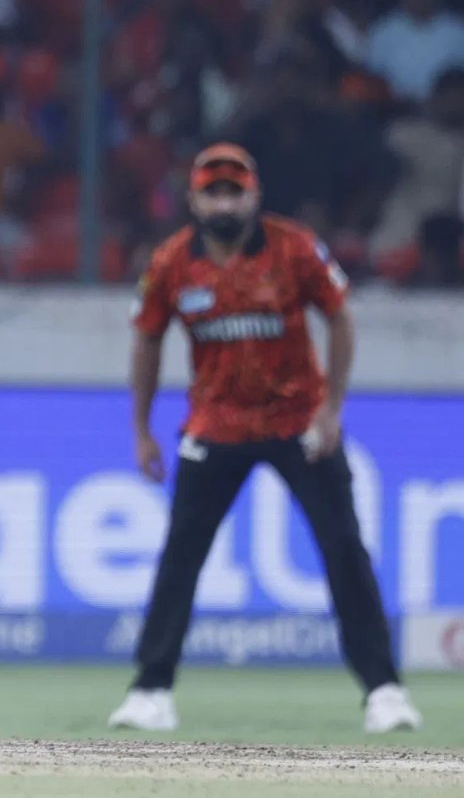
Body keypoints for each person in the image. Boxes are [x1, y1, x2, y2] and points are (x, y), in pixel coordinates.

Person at [111, 143, 422, 734]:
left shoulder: (293, 248)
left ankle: (384, 690)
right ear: (193, 199)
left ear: (254, 197)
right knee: (180, 557)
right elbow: (147, 338)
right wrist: (141, 430)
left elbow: (339, 316)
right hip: (214, 426)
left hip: (297, 424)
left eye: (235, 192)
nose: (224, 203)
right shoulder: (172, 262)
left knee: (343, 550)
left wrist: (331, 410)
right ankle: (150, 690)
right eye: (213, 192)